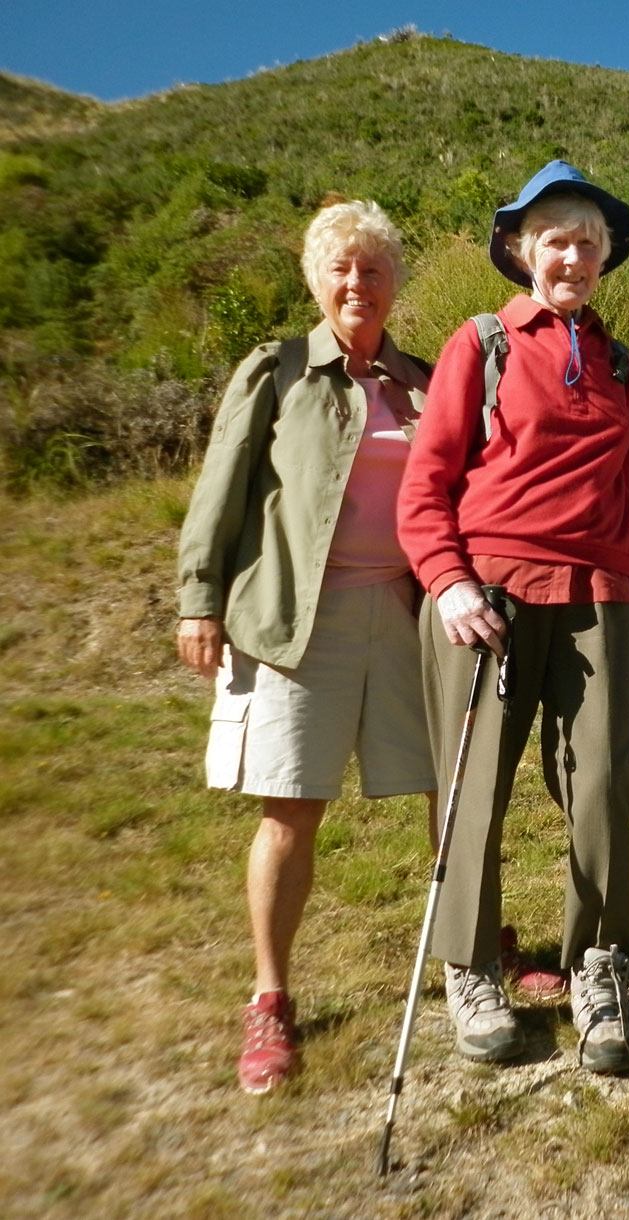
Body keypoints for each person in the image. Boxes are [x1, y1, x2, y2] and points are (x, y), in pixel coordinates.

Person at [176, 200, 436, 1094]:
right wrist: (198, 598)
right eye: (342, 269)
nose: (358, 283)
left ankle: (475, 948)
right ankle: (270, 997)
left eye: (374, 269)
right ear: (315, 280)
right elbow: (222, 488)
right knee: (291, 807)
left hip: (405, 617)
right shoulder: (276, 370)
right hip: (296, 621)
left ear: (396, 283)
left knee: (453, 789)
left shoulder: (423, 380)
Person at [397, 161, 629, 1074]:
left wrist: (626, 582)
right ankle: (471, 969)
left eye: (587, 240)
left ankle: (600, 967)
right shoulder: (481, 343)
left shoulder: (623, 363)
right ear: (521, 251)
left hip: (600, 600)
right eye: (554, 240)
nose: (572, 254)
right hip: (487, 596)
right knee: (474, 788)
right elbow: (427, 483)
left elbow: (621, 493)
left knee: (602, 787)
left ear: (604, 255)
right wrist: (448, 580)